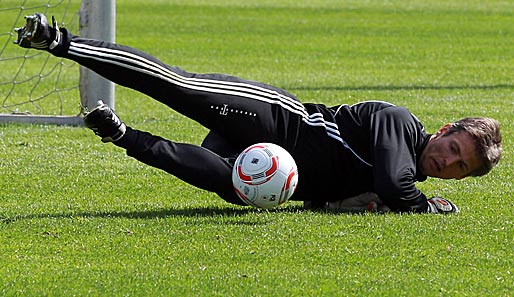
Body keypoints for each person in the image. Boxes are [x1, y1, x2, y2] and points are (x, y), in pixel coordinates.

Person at [14, 13, 502, 214]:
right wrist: (424, 207)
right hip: (270, 119)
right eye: (454, 149)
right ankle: (59, 41)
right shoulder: (399, 123)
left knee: (235, 188)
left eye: (461, 169)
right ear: (444, 128)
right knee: (177, 87)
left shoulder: (395, 178)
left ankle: (121, 135)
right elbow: (396, 186)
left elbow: (327, 199)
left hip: (271, 168)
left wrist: (349, 203)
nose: (448, 163)